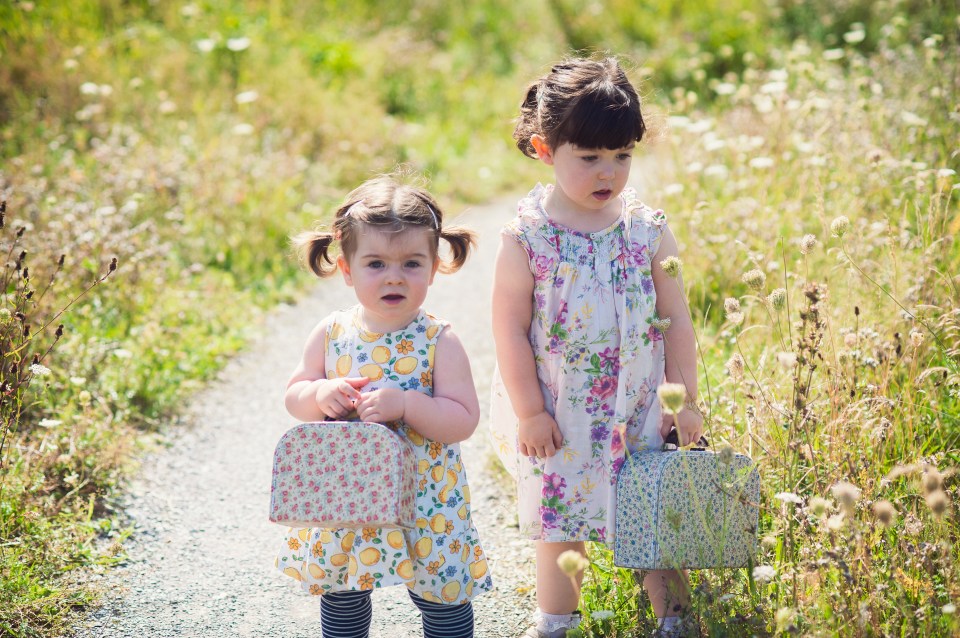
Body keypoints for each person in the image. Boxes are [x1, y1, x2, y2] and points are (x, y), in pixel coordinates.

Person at [490, 57, 703, 638]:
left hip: (640, 406)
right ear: (543, 148)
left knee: (652, 513)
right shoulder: (529, 236)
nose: (607, 171)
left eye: (622, 155)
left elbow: (675, 318)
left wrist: (684, 400)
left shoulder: (646, 230)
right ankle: (557, 620)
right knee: (560, 520)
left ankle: (675, 621)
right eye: (588, 157)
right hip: (561, 412)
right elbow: (508, 329)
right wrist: (530, 411)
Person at [276, 175, 493, 638]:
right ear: (348, 269)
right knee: (343, 590)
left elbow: (462, 421)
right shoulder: (332, 332)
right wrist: (319, 394)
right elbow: (295, 395)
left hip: (427, 498)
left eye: (411, 263)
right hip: (347, 491)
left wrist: (408, 404)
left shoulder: (439, 340)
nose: (394, 276)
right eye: (376, 263)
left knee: (441, 593)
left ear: (433, 268)